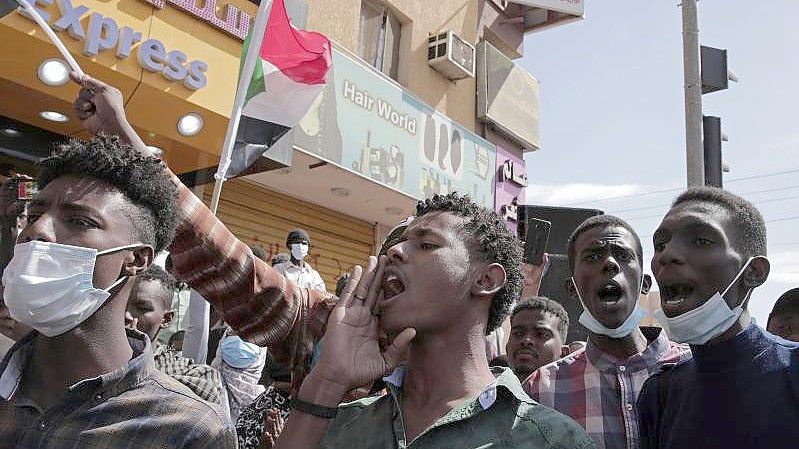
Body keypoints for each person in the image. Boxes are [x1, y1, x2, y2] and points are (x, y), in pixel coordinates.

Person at [68, 72, 337, 395]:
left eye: (418, 244)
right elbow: (224, 259)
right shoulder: (336, 325)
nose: (41, 232)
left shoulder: (193, 402)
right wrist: (120, 132)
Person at [272, 193, 595, 449]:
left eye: (426, 244)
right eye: (396, 244)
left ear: (485, 279)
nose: (395, 251)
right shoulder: (337, 423)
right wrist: (326, 383)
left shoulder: (550, 439)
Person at [0, 135, 234, 447]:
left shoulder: (187, 431)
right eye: (34, 215)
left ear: (136, 259)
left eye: (80, 221)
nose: (38, 231)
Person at [638, 187, 799, 449]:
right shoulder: (660, 394)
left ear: (754, 272)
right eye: (660, 245)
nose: (666, 255)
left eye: (700, 241)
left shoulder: (793, 369)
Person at [525, 215, 689, 449]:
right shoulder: (542, 389)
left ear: (644, 283)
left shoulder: (697, 368)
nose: (610, 263)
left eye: (623, 255)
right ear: (573, 288)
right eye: (592, 257)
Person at [125, 265, 228, 413]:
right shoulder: (92, 357)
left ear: (167, 319)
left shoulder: (192, 375)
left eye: (142, 308)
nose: (127, 315)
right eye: (121, 305)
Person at [505, 296, 570, 381]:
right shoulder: (488, 390)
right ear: (507, 347)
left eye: (541, 334)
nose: (526, 340)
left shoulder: (579, 393)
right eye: (519, 333)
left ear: (564, 353)